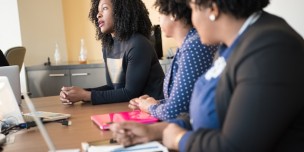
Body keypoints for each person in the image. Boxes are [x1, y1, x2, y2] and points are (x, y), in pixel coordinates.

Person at [110, 0, 304, 151]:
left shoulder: (271, 49)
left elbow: (236, 147)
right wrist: (153, 132)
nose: (191, 19)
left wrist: (179, 139)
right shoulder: (231, 45)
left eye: (193, 9)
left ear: (212, 8)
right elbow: (211, 114)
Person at [59, 0, 165, 105]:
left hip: (156, 111)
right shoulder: (108, 46)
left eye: (104, 8)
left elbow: (130, 93)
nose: (98, 15)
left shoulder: (138, 44)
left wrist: (86, 95)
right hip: (131, 108)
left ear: (121, 11)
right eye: (98, 10)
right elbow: (113, 88)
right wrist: (79, 93)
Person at [128, 0, 217, 120]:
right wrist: (156, 103)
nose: (159, 20)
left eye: (160, 15)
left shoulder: (194, 45)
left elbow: (175, 112)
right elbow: (183, 101)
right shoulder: (187, 45)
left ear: (173, 14)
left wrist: (150, 107)